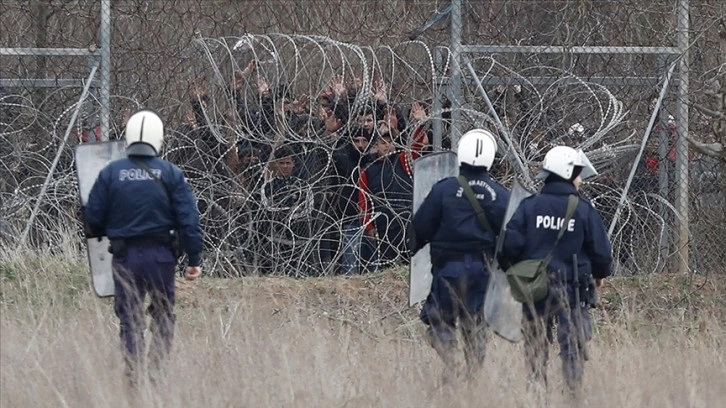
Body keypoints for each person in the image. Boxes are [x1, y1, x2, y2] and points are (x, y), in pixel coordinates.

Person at [83, 108, 203, 386]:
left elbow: (93, 219)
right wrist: (194, 258)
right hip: (162, 258)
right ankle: (157, 372)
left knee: (130, 319)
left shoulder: (111, 172)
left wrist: (107, 229)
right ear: (158, 138)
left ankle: (134, 375)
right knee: (163, 314)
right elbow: (189, 220)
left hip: (125, 257)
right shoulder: (171, 173)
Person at [499, 145, 612, 397]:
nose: (581, 180)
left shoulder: (530, 206)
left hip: (534, 287)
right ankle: (572, 394)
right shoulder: (583, 210)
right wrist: (600, 274)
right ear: (568, 172)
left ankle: (536, 392)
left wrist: (518, 273)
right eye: (578, 174)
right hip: (573, 288)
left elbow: (508, 247)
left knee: (535, 342)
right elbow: (602, 254)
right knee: (572, 344)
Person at [410, 129, 510, 382]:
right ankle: (473, 378)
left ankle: (451, 359)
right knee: (475, 326)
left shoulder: (444, 190)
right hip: (483, 272)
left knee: (438, 321)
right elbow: (512, 237)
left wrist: (412, 247)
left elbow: (420, 228)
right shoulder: (500, 195)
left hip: (448, 269)